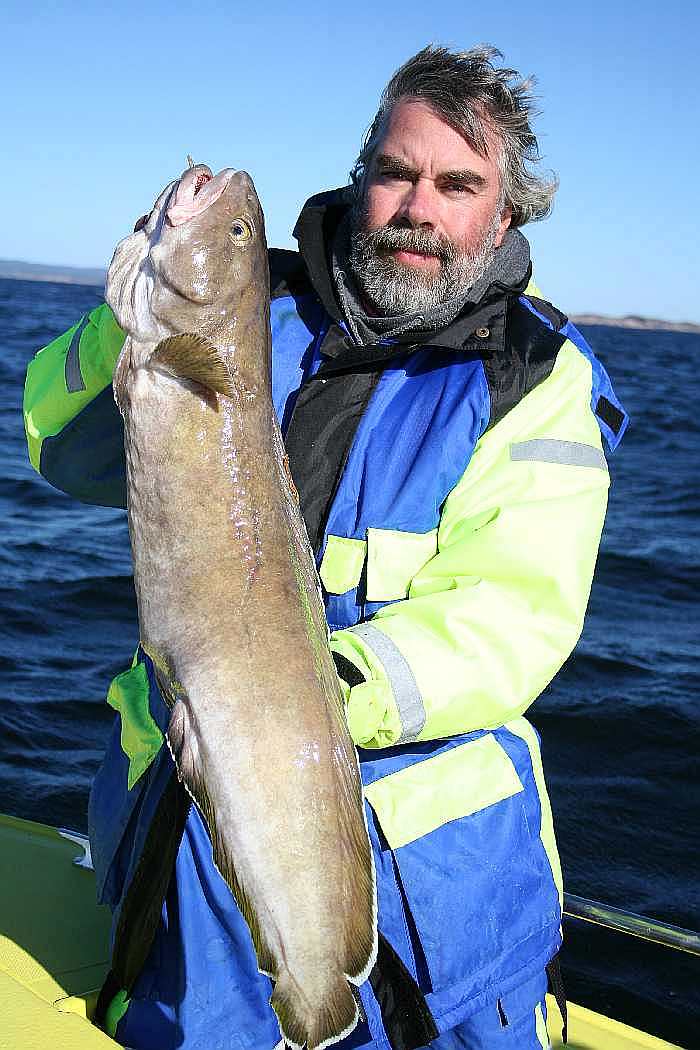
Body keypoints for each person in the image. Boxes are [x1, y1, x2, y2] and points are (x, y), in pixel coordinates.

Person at [23, 45, 627, 1050]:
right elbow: (62, 449)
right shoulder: (244, 304)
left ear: (506, 212)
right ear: (360, 178)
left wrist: (294, 694)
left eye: (457, 183)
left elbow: (512, 619)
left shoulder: (538, 379)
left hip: (426, 887)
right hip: (181, 857)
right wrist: (126, 325)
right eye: (395, 172)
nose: (416, 207)